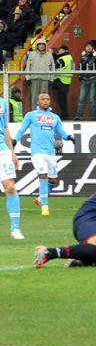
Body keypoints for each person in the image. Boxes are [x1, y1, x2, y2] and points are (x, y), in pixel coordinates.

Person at [13, 93, 74, 216]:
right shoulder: (31, 116)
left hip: (50, 152)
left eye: (48, 99)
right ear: (38, 101)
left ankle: (40, 199)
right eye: (43, 99)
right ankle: (45, 206)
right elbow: (21, 129)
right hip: (37, 151)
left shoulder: (55, 117)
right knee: (43, 175)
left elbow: (60, 131)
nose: (46, 101)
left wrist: (68, 137)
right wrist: (15, 140)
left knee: (53, 180)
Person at [0, 94, 21, 238]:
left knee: (10, 187)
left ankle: (15, 229)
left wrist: (12, 153)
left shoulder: (2, 103)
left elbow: (5, 128)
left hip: (2, 149)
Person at [75, 41, 96, 121]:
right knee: (81, 99)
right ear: (85, 48)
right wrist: (80, 75)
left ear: (93, 47)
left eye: (90, 46)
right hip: (84, 79)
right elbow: (80, 66)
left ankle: (92, 117)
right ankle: (78, 117)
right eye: (87, 46)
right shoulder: (83, 55)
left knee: (92, 99)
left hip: (93, 79)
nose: (89, 47)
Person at [25, 37, 54, 107]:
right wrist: (28, 77)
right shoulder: (32, 54)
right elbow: (28, 67)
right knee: (34, 97)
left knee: (44, 98)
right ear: (37, 45)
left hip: (45, 79)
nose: (41, 46)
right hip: (34, 78)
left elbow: (52, 67)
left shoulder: (49, 55)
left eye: (43, 44)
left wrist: (51, 79)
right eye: (39, 44)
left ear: (45, 45)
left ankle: (44, 113)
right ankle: (34, 113)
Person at [53, 45, 74, 119]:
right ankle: (65, 114)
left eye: (60, 50)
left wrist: (52, 55)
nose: (58, 52)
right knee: (62, 99)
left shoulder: (63, 58)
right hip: (66, 80)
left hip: (61, 79)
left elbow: (54, 65)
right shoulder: (69, 57)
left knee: (61, 99)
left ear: (63, 51)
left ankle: (65, 115)